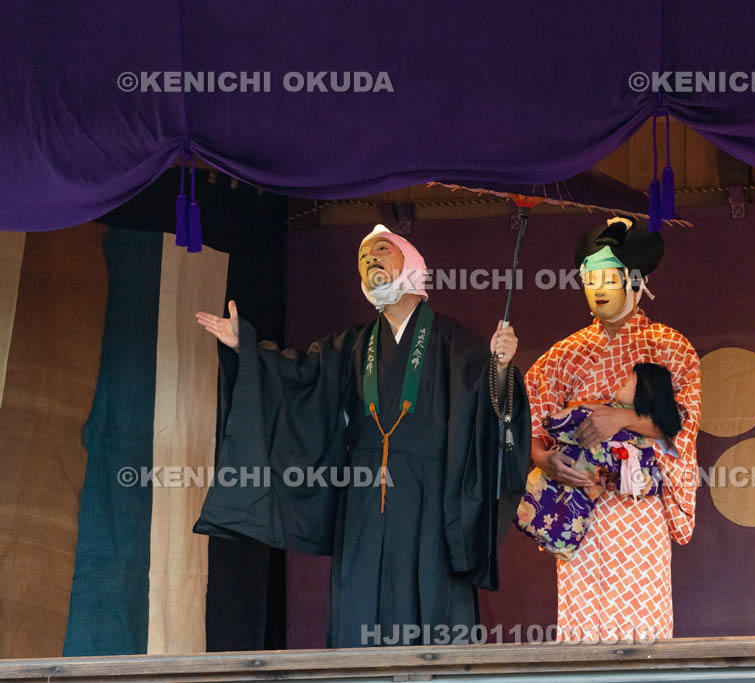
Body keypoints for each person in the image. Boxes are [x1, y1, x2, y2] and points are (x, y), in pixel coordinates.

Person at [192, 224, 531, 648]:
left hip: (429, 496)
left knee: (430, 603)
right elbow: (300, 376)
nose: (370, 260)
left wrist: (500, 368)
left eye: (382, 251)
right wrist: (245, 346)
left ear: (411, 263)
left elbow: (491, 413)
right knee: (359, 604)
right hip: (364, 494)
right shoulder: (352, 345)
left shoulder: (453, 342)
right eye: (363, 257)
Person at [525, 216, 701, 643]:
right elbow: (530, 426)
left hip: (638, 507)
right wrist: (544, 459)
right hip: (578, 505)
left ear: (634, 282)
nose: (599, 287)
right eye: (591, 278)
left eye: (610, 277)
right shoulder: (562, 356)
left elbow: (685, 423)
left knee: (643, 632)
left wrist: (621, 418)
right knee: (583, 630)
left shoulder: (670, 345)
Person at [516, 363, 682, 561]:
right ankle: (558, 541)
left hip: (641, 519)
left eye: (628, 383)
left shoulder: (674, 349)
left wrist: (622, 418)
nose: (621, 384)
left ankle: (557, 539)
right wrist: (540, 456)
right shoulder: (560, 356)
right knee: (567, 511)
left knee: (568, 513)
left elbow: (681, 429)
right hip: (588, 489)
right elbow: (534, 425)